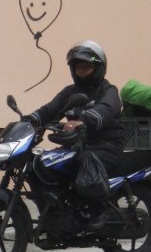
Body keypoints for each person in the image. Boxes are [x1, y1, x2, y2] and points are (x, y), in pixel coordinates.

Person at [24, 40, 123, 230]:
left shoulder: (108, 91)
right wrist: (31, 120)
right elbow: (51, 109)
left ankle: (97, 210)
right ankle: (54, 212)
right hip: (78, 146)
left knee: (83, 162)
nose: (82, 70)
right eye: (78, 66)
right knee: (38, 165)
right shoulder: (71, 92)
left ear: (98, 68)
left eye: (86, 66)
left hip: (105, 147)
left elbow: (105, 110)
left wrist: (85, 120)